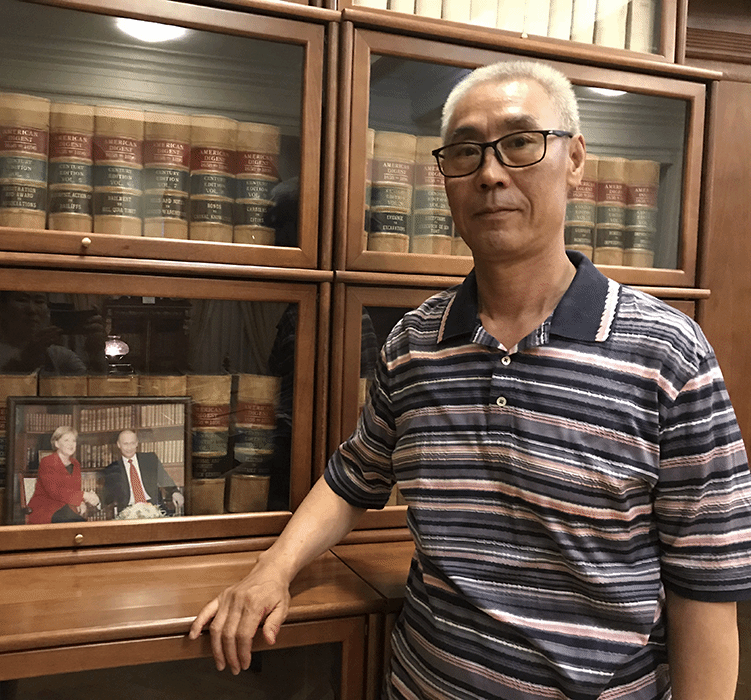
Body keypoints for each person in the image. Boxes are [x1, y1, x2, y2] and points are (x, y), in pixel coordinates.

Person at [190, 60, 751, 699]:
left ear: (575, 159)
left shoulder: (669, 354)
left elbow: (706, 585)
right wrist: (272, 569)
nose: (490, 173)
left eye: (520, 142)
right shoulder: (414, 345)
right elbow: (353, 477)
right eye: (466, 152)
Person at [0, 290, 105, 374]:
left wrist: (96, 351)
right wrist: (27, 358)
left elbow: (91, 390)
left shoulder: (59, 354)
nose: (32, 309)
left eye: (39, 301)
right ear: (2, 307)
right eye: (22, 300)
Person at [26, 425, 100, 524]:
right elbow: (55, 492)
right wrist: (84, 496)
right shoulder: (47, 462)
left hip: (67, 509)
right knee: (78, 525)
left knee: (82, 525)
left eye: (73, 441)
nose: (71, 444)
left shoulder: (75, 464)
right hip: (45, 510)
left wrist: (81, 503)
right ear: (57, 443)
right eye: (66, 440)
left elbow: (75, 489)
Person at [102, 429, 184, 516]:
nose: (129, 448)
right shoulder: (112, 469)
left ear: (137, 443)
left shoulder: (150, 459)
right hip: (128, 512)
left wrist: (175, 492)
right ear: (119, 445)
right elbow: (106, 497)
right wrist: (97, 502)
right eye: (125, 444)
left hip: (153, 508)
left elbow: (164, 479)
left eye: (132, 443)